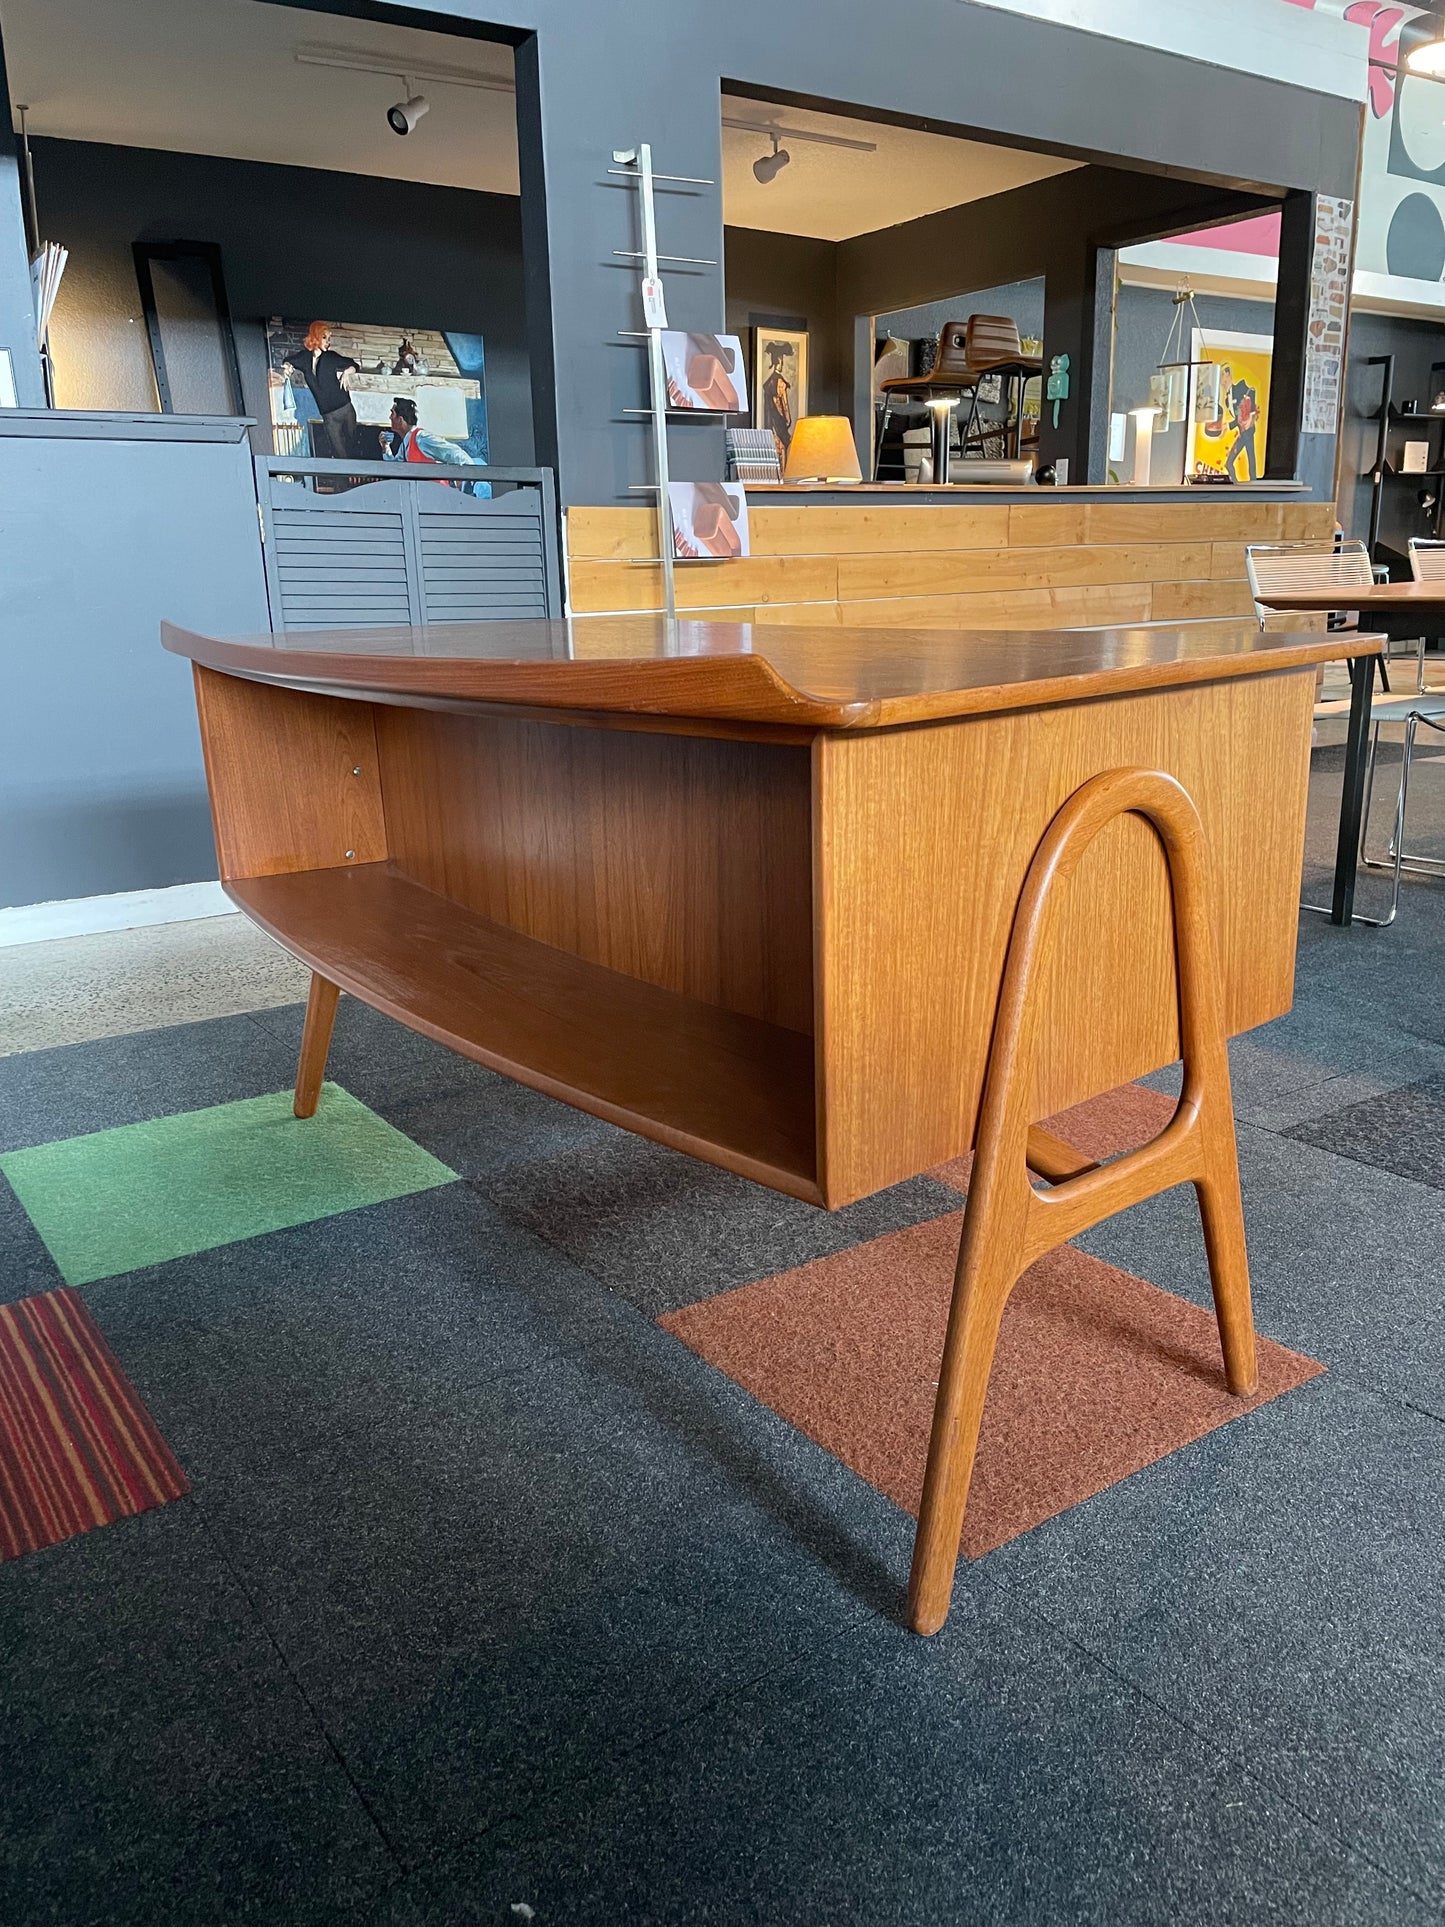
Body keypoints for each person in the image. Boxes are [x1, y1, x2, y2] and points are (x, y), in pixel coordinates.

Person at [281, 322, 360, 459]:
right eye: (324, 337)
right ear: (315, 337)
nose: (328, 342)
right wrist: (287, 367)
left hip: (345, 409)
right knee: (340, 455)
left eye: (329, 338)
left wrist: (347, 372)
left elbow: (354, 365)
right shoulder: (304, 358)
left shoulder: (331, 357)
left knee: (355, 449)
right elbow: (288, 361)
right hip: (328, 416)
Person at [381, 397, 484, 492]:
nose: (390, 417)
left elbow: (453, 453)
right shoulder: (405, 445)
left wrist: (470, 475)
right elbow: (395, 467)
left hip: (440, 495)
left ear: (400, 420)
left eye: (392, 413)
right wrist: (385, 447)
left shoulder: (421, 439)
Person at [1223, 368, 1261, 482]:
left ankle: (1250, 484)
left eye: (1222, 374)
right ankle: (1237, 485)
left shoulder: (1240, 387)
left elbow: (1252, 391)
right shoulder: (1227, 401)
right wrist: (1228, 426)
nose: (1221, 379)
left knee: (1249, 459)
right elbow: (1238, 417)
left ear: (1228, 375)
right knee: (1230, 463)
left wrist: (1252, 415)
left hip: (1247, 431)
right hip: (1242, 433)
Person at [759, 341, 795, 453]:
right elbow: (784, 404)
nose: (782, 364)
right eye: (781, 361)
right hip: (779, 421)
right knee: (782, 448)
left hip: (771, 422)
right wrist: (788, 419)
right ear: (779, 361)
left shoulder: (769, 382)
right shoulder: (779, 382)